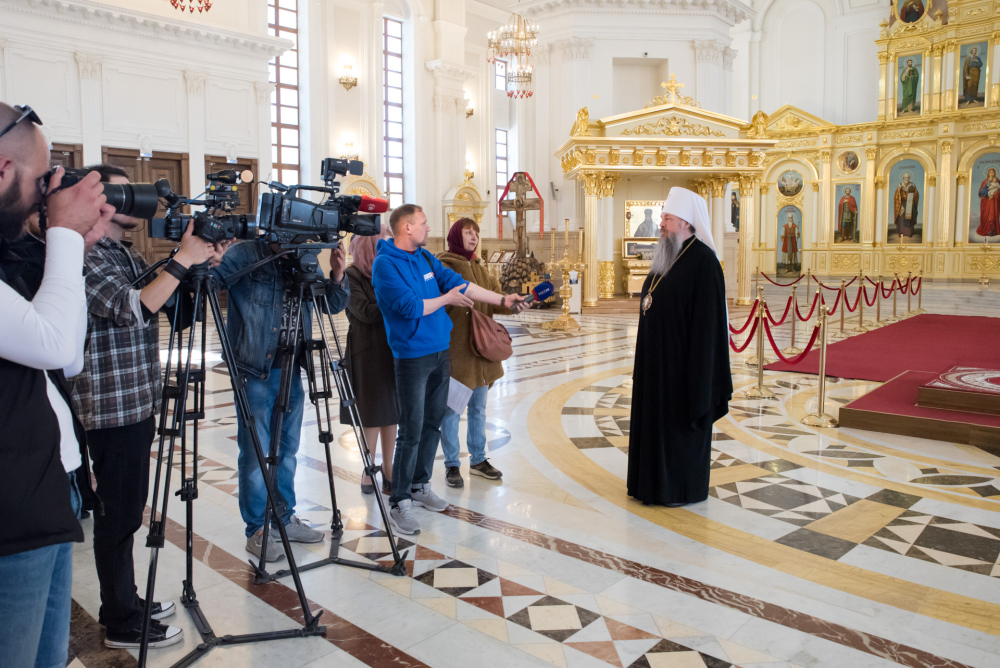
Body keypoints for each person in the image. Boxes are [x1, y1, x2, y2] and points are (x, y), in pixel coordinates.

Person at [67, 164, 218, 649]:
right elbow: (135, 307)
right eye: (125, 190)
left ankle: (128, 598)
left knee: (129, 509)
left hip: (135, 399)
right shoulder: (83, 256)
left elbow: (171, 308)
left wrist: (194, 267)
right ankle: (121, 620)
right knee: (118, 515)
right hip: (110, 406)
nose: (138, 200)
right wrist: (181, 258)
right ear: (104, 201)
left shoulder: (121, 252)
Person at [0, 102, 113, 668]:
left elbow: (65, 360)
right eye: (43, 177)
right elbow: (52, 344)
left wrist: (69, 250)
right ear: (3, 170)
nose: (49, 193)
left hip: (43, 490)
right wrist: (64, 237)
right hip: (9, 516)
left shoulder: (11, 252)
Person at [372, 205, 524, 535]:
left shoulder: (426, 259)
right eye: (423, 223)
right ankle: (399, 500)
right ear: (407, 228)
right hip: (412, 356)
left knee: (432, 423)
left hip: (441, 351)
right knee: (411, 429)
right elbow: (410, 307)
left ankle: (420, 485)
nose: (428, 228)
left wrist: (503, 300)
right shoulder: (385, 264)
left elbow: (460, 285)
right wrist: (446, 300)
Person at [211, 236, 349, 561]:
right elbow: (207, 284)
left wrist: (338, 275)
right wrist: (209, 260)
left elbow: (330, 304)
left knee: (287, 450)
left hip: (292, 367)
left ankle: (284, 518)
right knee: (256, 453)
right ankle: (257, 529)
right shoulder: (245, 254)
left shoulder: (303, 256)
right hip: (255, 369)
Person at [627, 187, 732, 506]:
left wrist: (699, 378)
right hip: (655, 366)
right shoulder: (666, 254)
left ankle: (678, 489)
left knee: (678, 430)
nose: (661, 224)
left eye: (668, 219)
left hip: (684, 371)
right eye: (662, 218)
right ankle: (650, 485)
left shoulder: (704, 261)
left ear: (686, 223)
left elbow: (707, 327)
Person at [437, 218, 515, 488]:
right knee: (451, 411)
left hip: (482, 350)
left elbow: (496, 297)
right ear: (455, 236)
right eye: (468, 233)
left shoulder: (480, 269)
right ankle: (451, 464)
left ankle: (479, 459)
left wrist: (513, 304)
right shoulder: (443, 264)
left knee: (479, 409)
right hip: (456, 349)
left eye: (476, 233)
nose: (473, 237)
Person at [341, 230, 397, 495]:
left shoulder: (387, 272)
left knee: (391, 413)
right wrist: (398, 302)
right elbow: (364, 312)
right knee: (372, 414)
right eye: (378, 246)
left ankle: (389, 468)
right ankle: (368, 467)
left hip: (391, 348)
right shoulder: (351, 277)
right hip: (366, 352)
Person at [893, 172, 920, 239]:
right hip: (902, 204)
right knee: (902, 217)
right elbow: (897, 196)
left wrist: (912, 196)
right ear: (903, 178)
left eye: (907, 177)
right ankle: (901, 232)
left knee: (909, 217)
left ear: (909, 178)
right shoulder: (900, 186)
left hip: (910, 204)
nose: (906, 178)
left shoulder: (912, 185)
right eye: (905, 177)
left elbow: (916, 194)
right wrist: (901, 192)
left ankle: (908, 233)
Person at [976, 167, 1000, 238]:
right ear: (988, 173)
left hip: (995, 202)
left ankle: (993, 230)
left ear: (995, 173)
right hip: (986, 202)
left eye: (993, 172)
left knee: (994, 215)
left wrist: (996, 193)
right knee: (986, 215)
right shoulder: (985, 181)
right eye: (990, 172)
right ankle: (986, 229)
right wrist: (988, 191)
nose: (991, 173)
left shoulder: (998, 181)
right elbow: (981, 193)